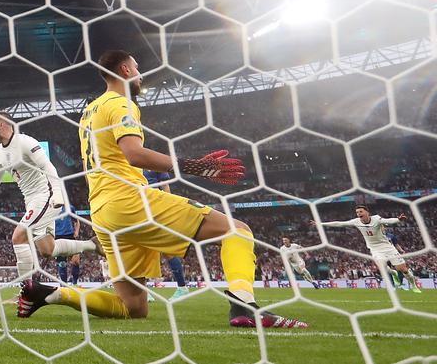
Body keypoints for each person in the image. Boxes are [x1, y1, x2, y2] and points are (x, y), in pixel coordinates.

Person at [17, 50, 308, 329]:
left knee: (133, 307)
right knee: (237, 230)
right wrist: (195, 167)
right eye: (138, 68)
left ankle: (51, 293)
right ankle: (244, 304)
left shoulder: (90, 110)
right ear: (125, 70)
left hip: (103, 211)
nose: (141, 75)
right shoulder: (121, 103)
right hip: (130, 200)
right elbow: (134, 153)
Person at [0, 113, 103, 282]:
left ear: (2, 124)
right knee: (48, 249)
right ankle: (92, 245)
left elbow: (48, 166)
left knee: (18, 237)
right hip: (31, 201)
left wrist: (58, 193)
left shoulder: (25, 142)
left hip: (46, 196)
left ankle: (27, 289)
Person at [311, 205, 420, 293]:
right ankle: (393, 273)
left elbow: (388, 220)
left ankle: (413, 285)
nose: (359, 214)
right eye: (357, 212)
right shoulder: (356, 221)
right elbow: (339, 223)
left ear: (367, 212)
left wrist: (398, 220)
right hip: (375, 249)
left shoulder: (376, 219)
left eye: (361, 212)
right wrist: (320, 224)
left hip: (388, 248)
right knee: (382, 268)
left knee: (404, 270)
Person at [143, 169, 189, 300]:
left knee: (167, 250)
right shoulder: (129, 163)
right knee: (141, 249)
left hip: (156, 207)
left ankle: (182, 287)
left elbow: (165, 184)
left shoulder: (151, 160)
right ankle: (144, 291)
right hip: (139, 207)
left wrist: (169, 206)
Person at [53, 203, 82, 285]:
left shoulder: (70, 207)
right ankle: (64, 284)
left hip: (70, 236)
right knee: (62, 264)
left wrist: (76, 231)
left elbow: (76, 221)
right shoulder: (50, 209)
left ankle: (75, 283)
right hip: (58, 238)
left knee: (76, 260)